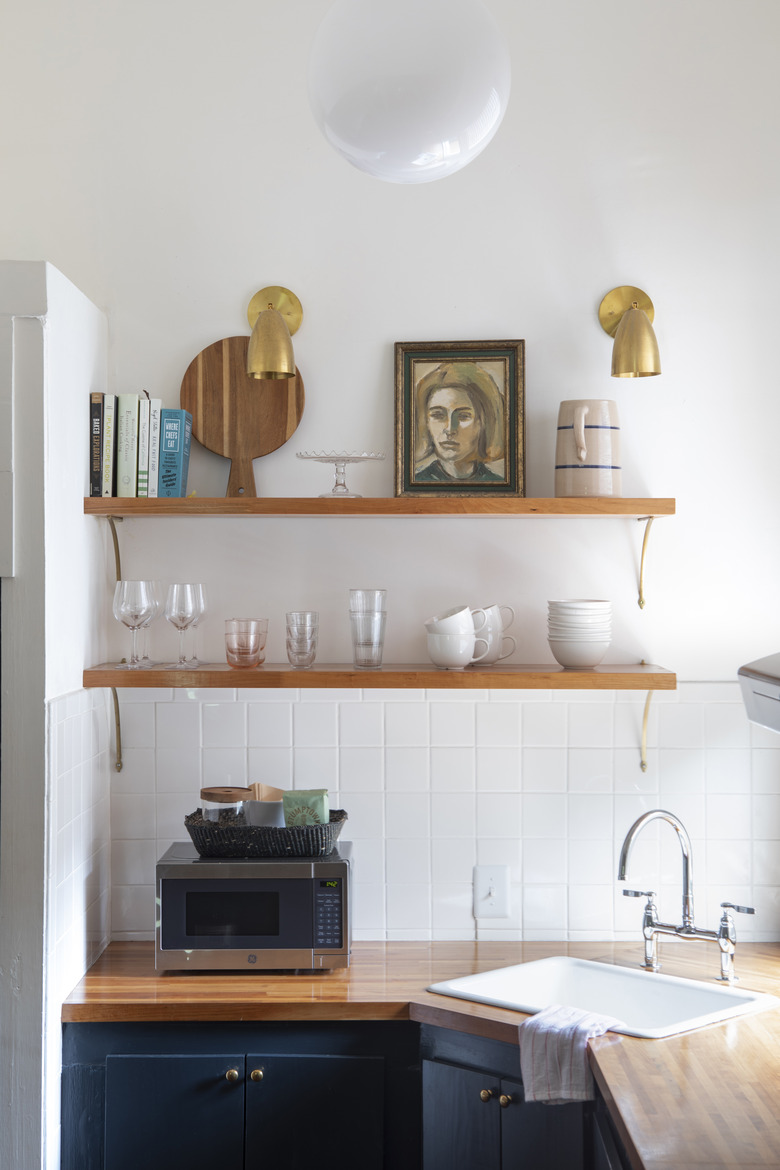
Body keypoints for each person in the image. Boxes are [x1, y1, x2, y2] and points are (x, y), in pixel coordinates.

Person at [413, 361, 505, 482]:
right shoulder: (418, 481)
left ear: (484, 422)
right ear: (426, 421)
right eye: (438, 415)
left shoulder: (498, 483)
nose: (449, 429)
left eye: (463, 416)